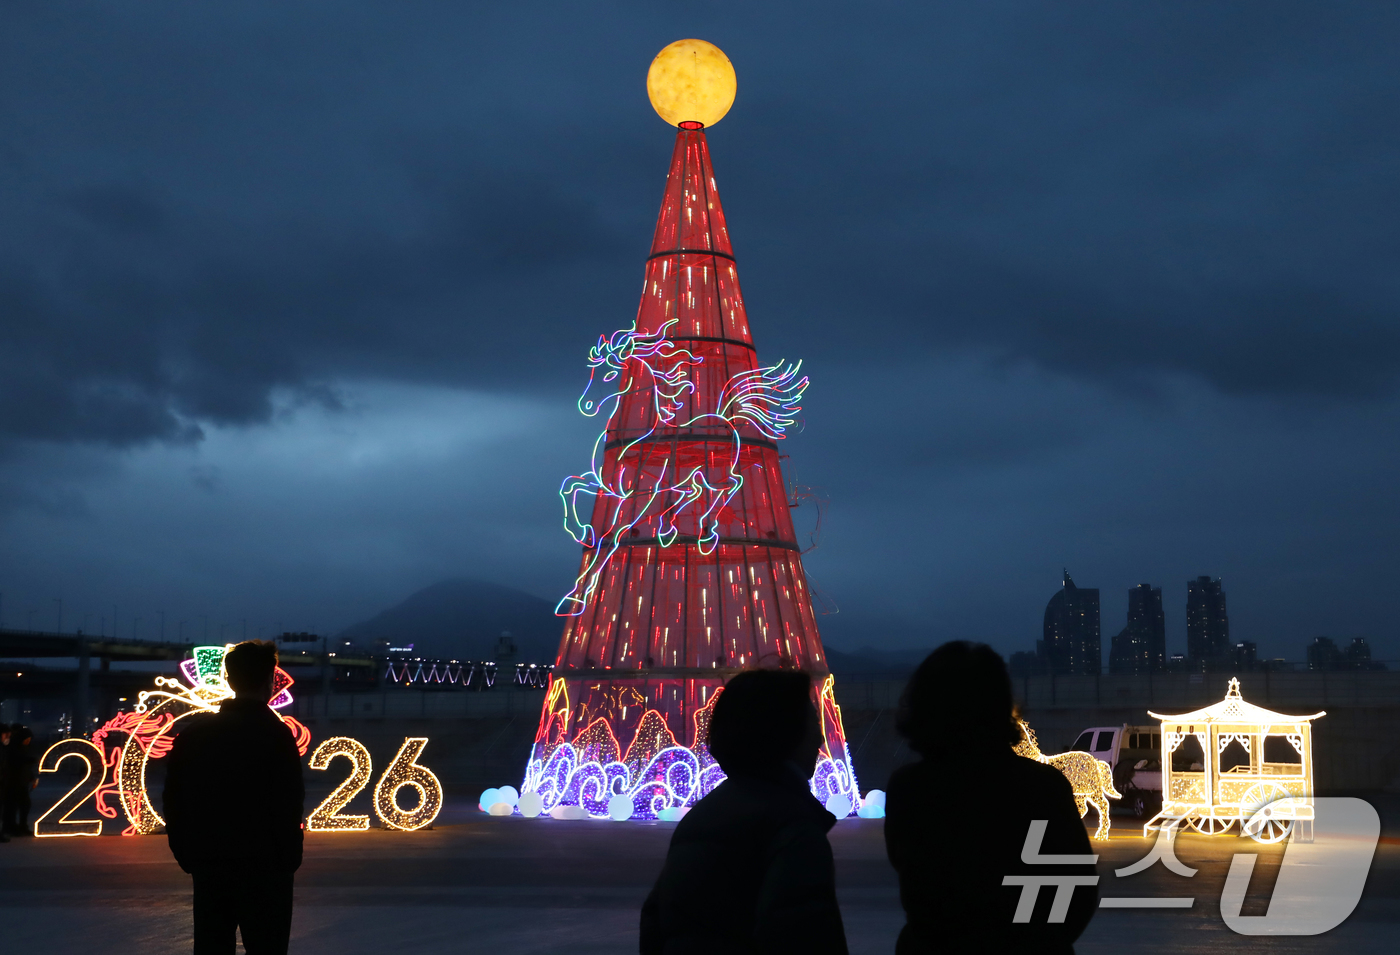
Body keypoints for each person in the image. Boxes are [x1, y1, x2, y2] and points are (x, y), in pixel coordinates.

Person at [885, 642, 1098, 954]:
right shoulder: (1043, 786)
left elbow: (912, 876)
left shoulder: (909, 788)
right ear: (1001, 707)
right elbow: (1077, 889)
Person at [640, 669, 848, 955]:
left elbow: (655, 921)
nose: (821, 738)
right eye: (813, 722)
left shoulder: (702, 814)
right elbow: (800, 934)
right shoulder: (792, 824)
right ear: (784, 733)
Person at [163, 641, 305, 955]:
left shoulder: (195, 735)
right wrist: (288, 860)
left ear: (228, 679)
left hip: (210, 865)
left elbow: (174, 799)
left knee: (212, 946)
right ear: (270, 680)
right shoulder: (277, 735)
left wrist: (187, 854)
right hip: (266, 867)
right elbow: (288, 802)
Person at [2, 724, 38, 837]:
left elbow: (26, 767)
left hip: (22, 781)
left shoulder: (24, 749)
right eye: (27, 739)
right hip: (12, 782)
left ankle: (22, 826)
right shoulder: (12, 748)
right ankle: (11, 827)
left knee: (25, 804)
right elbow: (16, 761)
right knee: (12, 806)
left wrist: (32, 778)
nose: (28, 741)